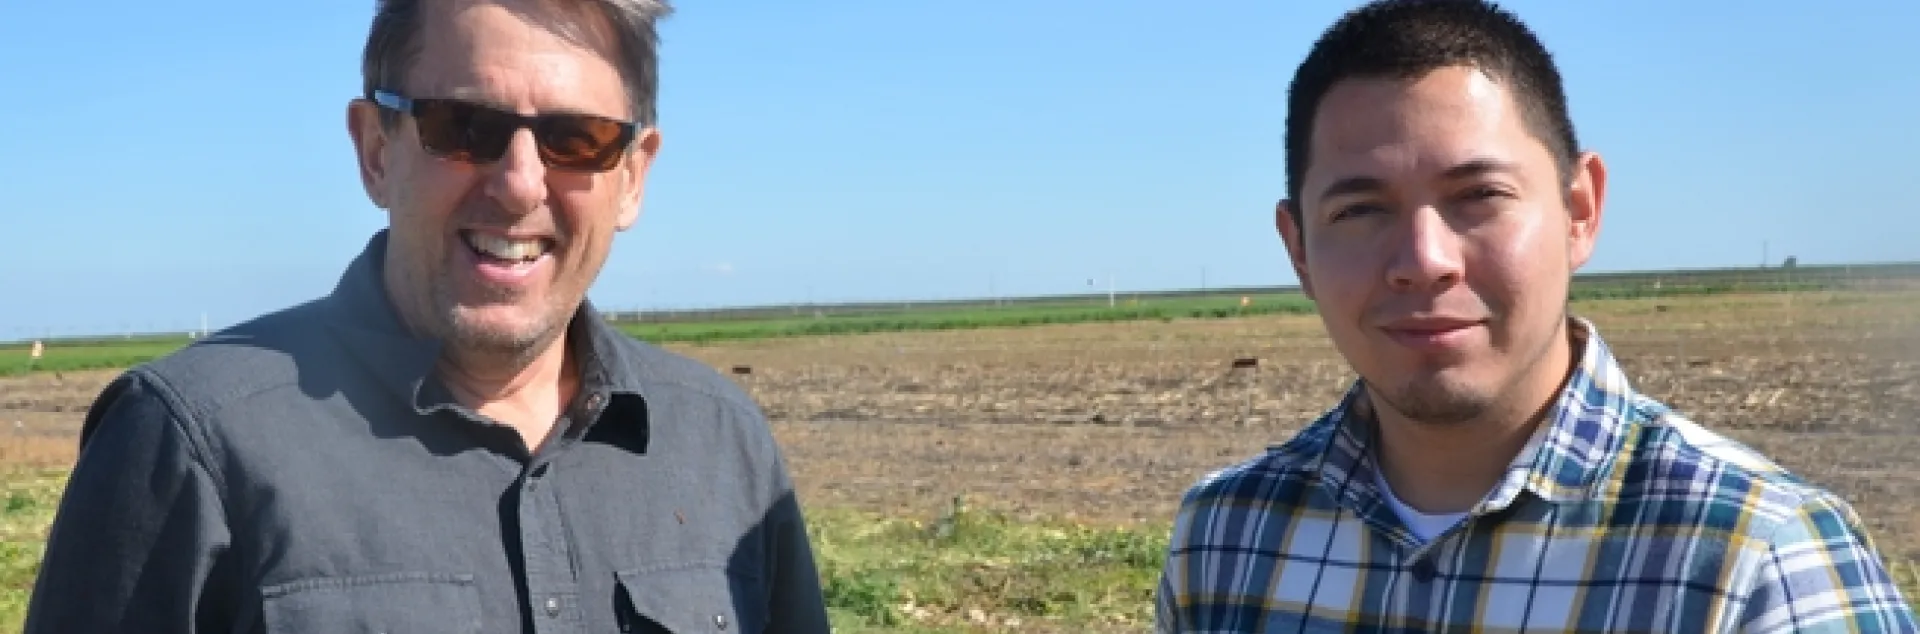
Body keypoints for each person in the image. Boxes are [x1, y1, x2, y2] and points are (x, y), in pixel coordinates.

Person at [25, 1, 832, 632]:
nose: (520, 184)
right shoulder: (191, 444)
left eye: (576, 139)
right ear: (377, 149)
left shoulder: (720, 442)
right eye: (464, 128)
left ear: (633, 177)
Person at [1154, 1, 1918, 632]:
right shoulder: (1226, 539)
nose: (1424, 259)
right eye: (1360, 209)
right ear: (1298, 251)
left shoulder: (1759, 564)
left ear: (1579, 210)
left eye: (1478, 196)